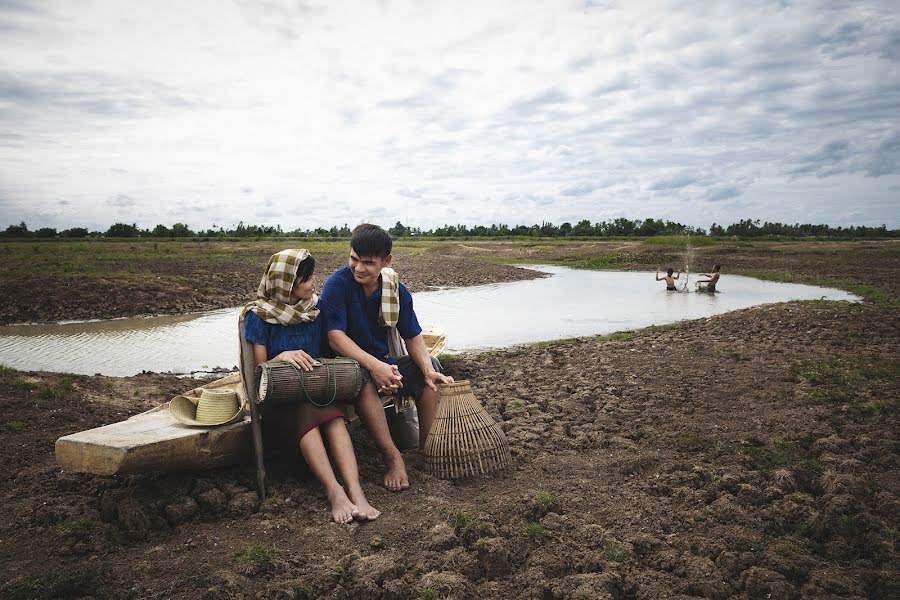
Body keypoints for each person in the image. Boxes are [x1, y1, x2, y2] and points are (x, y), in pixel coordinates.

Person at [242, 249, 379, 523]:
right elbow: (258, 371)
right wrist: (281, 357)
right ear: (286, 284)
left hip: (317, 390)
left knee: (334, 419)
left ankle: (355, 489)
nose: (313, 283)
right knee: (311, 414)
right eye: (306, 279)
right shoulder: (259, 316)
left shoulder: (315, 311)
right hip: (280, 399)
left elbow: (328, 353)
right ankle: (334, 492)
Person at [319, 224, 454, 491]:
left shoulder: (395, 290)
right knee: (364, 378)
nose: (358, 268)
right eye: (354, 259)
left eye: (367, 263)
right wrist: (376, 366)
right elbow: (335, 337)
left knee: (432, 369)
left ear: (386, 262)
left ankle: (426, 452)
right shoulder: (338, 284)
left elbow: (412, 335)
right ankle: (393, 459)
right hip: (344, 367)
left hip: (381, 363)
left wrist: (426, 369)